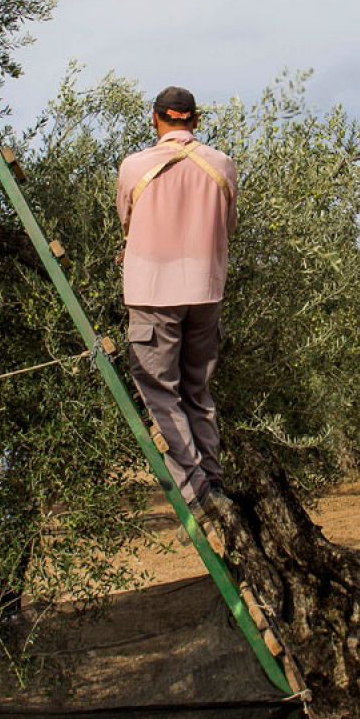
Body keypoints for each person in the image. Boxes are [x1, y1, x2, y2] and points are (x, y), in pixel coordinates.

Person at [116, 86, 239, 517]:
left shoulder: (135, 166)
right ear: (196, 120)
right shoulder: (222, 165)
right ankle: (214, 477)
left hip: (152, 293)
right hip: (206, 291)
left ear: (155, 120)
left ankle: (197, 488)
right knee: (198, 390)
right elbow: (229, 225)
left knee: (160, 392)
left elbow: (126, 219)